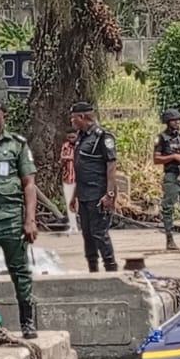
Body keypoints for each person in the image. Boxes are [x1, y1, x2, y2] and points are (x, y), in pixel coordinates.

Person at [0, 100, 39, 339]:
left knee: (20, 272)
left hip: (10, 218)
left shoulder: (16, 145)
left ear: (3, 116)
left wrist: (30, 220)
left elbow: (29, 184)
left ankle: (27, 322)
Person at [70, 102, 118, 273]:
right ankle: (93, 270)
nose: (72, 121)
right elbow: (80, 168)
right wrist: (74, 195)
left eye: (73, 118)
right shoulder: (81, 137)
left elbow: (111, 166)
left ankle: (111, 269)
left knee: (99, 233)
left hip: (98, 193)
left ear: (82, 117)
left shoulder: (102, 137)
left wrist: (109, 194)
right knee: (87, 235)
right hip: (83, 193)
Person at [153, 108, 180, 251]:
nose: (177, 122)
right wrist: (173, 157)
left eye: (178, 120)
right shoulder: (162, 138)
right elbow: (156, 159)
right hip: (172, 175)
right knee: (168, 206)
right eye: (174, 120)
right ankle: (169, 238)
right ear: (167, 122)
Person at [59, 130, 78, 235]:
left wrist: (68, 158)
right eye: (69, 137)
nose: (71, 139)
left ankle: (83, 226)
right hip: (68, 178)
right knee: (69, 202)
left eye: (73, 137)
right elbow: (61, 159)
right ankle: (73, 225)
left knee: (80, 203)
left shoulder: (80, 146)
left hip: (80, 179)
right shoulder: (65, 146)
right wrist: (64, 159)